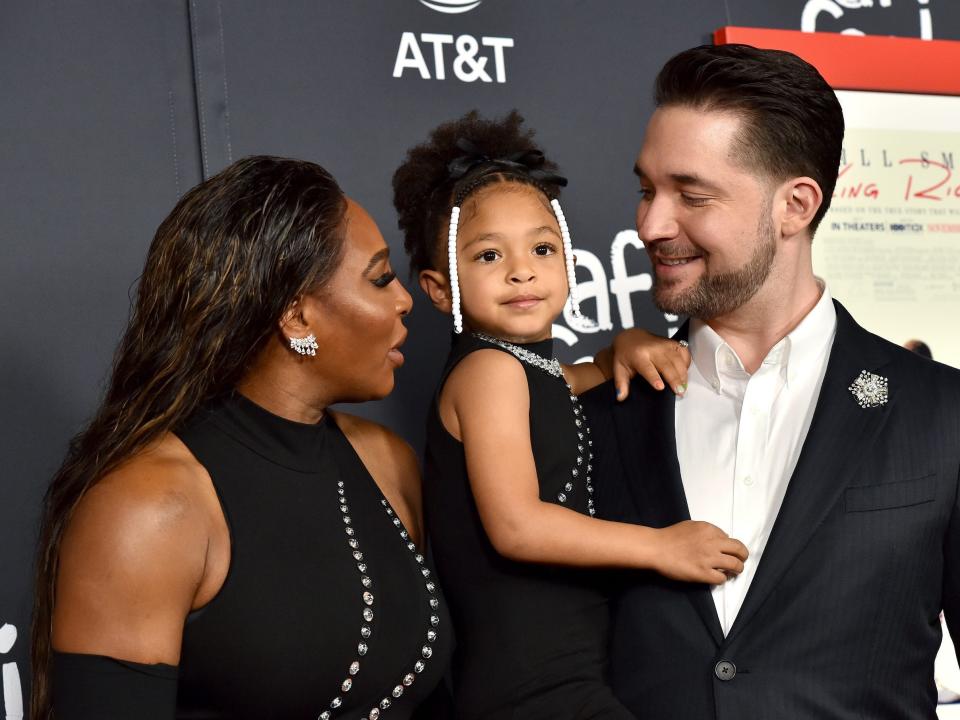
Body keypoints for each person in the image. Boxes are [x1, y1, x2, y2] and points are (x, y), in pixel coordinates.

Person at [581, 43, 960, 719]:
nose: (650, 224)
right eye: (647, 189)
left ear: (796, 206)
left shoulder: (941, 410)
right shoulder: (601, 407)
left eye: (690, 194)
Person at [32, 156, 453, 720]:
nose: (404, 299)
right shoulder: (147, 508)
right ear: (297, 317)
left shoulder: (386, 462)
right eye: (379, 278)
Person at [391, 111, 749, 720]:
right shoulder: (488, 374)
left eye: (540, 247)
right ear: (439, 290)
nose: (521, 270)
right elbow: (518, 526)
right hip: (529, 684)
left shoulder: (524, 370)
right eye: (486, 256)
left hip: (566, 671)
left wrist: (623, 347)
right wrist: (662, 547)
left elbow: (572, 380)